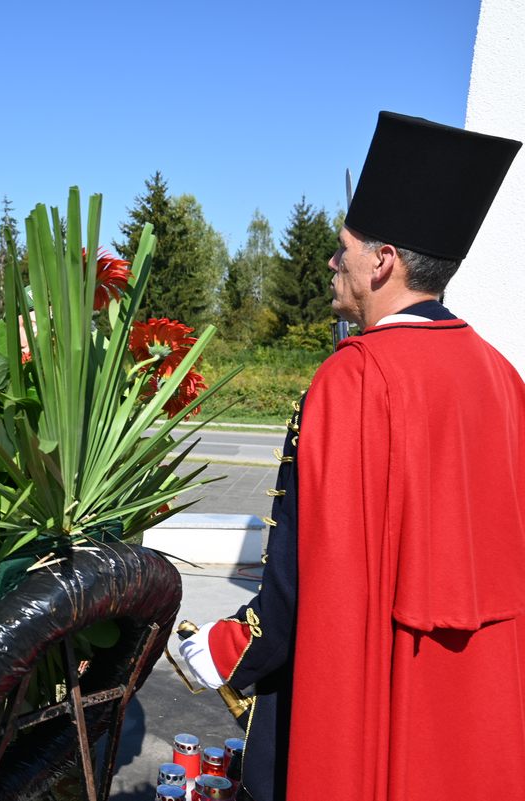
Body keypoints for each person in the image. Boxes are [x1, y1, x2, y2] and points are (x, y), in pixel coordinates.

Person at [178, 111, 523, 801]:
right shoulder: (504, 376)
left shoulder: (354, 379)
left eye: (344, 248)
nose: (333, 263)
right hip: (476, 709)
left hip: (370, 706)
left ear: (382, 260)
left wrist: (217, 650)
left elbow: (300, 580)